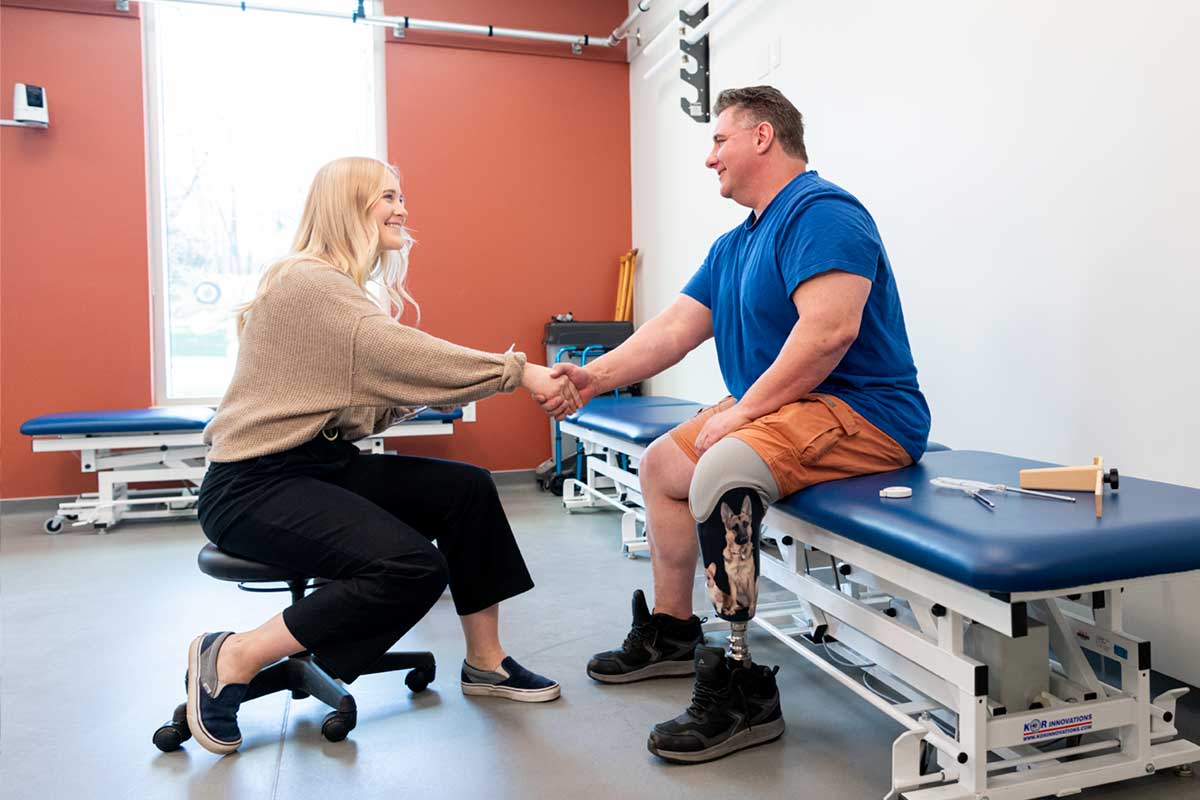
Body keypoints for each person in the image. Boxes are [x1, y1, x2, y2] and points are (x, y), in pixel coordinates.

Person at [541, 86, 931, 763]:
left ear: (762, 137)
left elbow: (830, 333)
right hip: (793, 407)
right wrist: (595, 376)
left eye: (718, 140)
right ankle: (672, 631)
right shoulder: (735, 244)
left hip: (865, 411)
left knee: (722, 467)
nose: (709, 158)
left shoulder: (823, 213)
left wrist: (744, 413)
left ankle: (743, 685)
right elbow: (672, 328)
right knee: (663, 464)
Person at [188, 156, 580, 756]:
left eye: (401, 196)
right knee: (411, 567)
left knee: (467, 489)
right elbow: (400, 354)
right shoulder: (309, 281)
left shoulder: (334, 287)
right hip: (252, 486)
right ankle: (234, 654)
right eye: (387, 197)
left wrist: (416, 396)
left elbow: (363, 390)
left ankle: (486, 662)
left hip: (319, 466)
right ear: (348, 207)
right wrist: (517, 372)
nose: (402, 209)